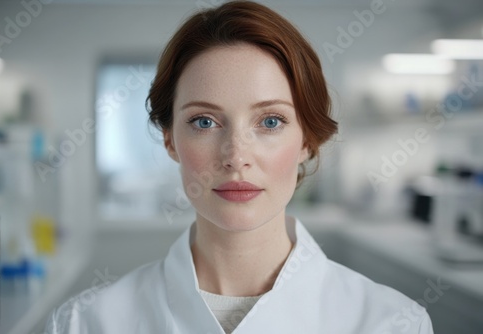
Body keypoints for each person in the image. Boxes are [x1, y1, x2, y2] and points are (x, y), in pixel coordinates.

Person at [45, 1, 434, 333]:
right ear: (170, 140)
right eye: (204, 122)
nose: (235, 155)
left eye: (269, 122)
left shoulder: (392, 323)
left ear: (307, 140)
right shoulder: (85, 323)